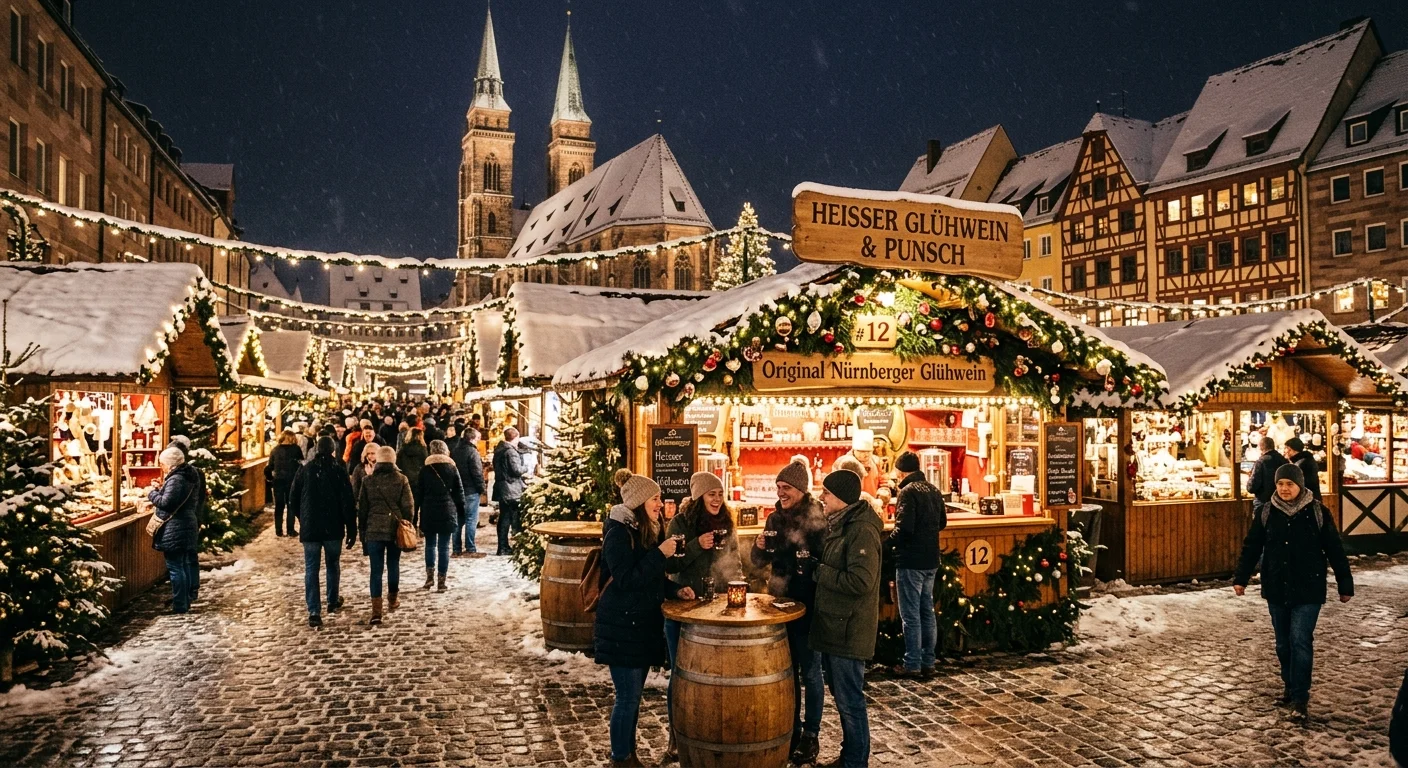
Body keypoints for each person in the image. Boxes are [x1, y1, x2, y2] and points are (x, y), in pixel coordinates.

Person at [1232, 463, 1352, 721]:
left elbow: (1334, 549)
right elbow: (1252, 546)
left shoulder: (1317, 512)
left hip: (1308, 588)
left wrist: (1345, 584)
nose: (1284, 489)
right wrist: (1241, 578)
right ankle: (1289, 684)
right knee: (1283, 644)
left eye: (1289, 484)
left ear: (1300, 485)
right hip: (1276, 586)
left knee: (1300, 640)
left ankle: (1300, 698)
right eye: (1280, 484)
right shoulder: (1266, 512)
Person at [594, 474, 693, 768]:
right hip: (621, 626)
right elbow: (626, 579)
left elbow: (650, 579)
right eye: (655, 499)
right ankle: (620, 758)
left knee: (633, 698)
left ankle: (629, 755)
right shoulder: (618, 533)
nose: (660, 505)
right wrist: (660, 555)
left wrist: (676, 590)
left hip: (638, 626)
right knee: (627, 698)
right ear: (639, 502)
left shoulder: (643, 529)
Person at [750, 458, 827, 766]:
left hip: (809, 604)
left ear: (801, 490)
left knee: (811, 671)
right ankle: (791, 729)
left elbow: (824, 561)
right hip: (779, 604)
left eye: (787, 488)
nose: (781, 493)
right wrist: (759, 546)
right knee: (787, 671)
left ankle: (811, 734)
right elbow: (759, 562)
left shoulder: (818, 517)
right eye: (778, 487)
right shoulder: (774, 519)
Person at [662, 471, 742, 759]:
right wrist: (697, 545)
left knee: (719, 677)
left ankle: (712, 734)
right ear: (699, 497)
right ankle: (675, 736)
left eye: (720, 494)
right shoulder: (680, 523)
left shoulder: (727, 524)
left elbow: (734, 561)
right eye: (711, 494)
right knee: (681, 675)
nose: (717, 499)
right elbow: (670, 563)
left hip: (719, 608)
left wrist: (739, 586)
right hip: (685, 608)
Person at [812, 468, 882, 767]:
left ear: (841, 497)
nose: (822, 498)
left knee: (850, 701)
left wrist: (819, 571)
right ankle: (850, 756)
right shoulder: (842, 524)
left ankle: (855, 761)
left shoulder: (861, 530)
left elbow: (861, 581)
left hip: (850, 627)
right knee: (843, 698)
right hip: (837, 625)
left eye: (827, 493)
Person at [888, 450, 947, 678]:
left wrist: (885, 544)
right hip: (931, 559)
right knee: (927, 612)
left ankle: (912, 663)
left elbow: (904, 528)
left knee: (911, 615)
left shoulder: (908, 491)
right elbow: (942, 522)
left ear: (901, 472)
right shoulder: (933, 489)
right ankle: (928, 662)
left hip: (911, 560)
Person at [290, 436, 356, 628]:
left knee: (311, 568)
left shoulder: (305, 469)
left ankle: (314, 610)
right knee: (332, 564)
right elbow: (347, 502)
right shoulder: (338, 470)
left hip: (310, 528)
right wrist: (351, 528)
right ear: (333, 450)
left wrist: (303, 518)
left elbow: (293, 499)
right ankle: (332, 600)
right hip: (333, 527)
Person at [358, 445, 414, 626]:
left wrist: (362, 532)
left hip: (373, 530)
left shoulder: (368, 480)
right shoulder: (401, 479)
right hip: (394, 529)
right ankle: (392, 599)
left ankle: (376, 611)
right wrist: (407, 523)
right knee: (393, 565)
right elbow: (408, 506)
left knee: (375, 570)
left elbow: (362, 509)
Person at [149, 446, 203, 615]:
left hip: (176, 527)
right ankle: (185, 600)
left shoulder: (176, 479)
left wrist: (151, 493)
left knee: (175, 567)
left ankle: (180, 604)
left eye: (162, 464)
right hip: (187, 523)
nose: (162, 467)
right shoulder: (188, 474)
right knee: (183, 564)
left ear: (170, 464)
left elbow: (166, 503)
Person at [419, 439, 465, 591]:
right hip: (447, 510)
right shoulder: (452, 468)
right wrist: (461, 512)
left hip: (429, 510)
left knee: (430, 545)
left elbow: (419, 493)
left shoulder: (425, 470)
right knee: (444, 547)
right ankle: (441, 581)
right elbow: (459, 493)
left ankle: (429, 578)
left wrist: (415, 515)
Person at [449, 425, 487, 558]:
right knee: (471, 519)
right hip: (470, 490)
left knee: (458, 520)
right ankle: (470, 548)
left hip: (457, 491)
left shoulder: (455, 451)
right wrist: (482, 489)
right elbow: (477, 473)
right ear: (472, 439)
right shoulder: (472, 452)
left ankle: (456, 549)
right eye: (477, 439)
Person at [492, 427, 527, 556]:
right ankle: (506, 547)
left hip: (502, 487)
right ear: (516, 437)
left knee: (503, 517)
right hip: (511, 488)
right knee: (511, 518)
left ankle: (502, 546)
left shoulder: (500, 450)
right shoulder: (511, 452)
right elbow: (516, 470)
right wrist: (526, 467)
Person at [266, 429, 304, 538]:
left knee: (279, 505)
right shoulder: (296, 449)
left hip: (278, 480)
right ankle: (290, 530)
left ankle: (278, 530)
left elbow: (270, 466)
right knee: (291, 504)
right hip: (291, 480)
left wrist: (270, 478)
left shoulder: (275, 450)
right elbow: (301, 463)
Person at [833, 429, 883, 495]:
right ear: (855, 450)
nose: (866, 454)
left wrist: (883, 492)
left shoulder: (876, 461)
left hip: (871, 500)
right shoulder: (842, 463)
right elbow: (834, 485)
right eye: (862, 451)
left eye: (869, 451)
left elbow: (883, 482)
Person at [1247, 436, 1288, 513]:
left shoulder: (1261, 461)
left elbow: (1252, 486)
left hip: (1263, 501)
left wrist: (1249, 483)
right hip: (1282, 502)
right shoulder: (1284, 460)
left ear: (1261, 447)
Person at [1282, 437, 1322, 501]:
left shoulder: (1302, 463)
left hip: (1306, 500)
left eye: (1286, 448)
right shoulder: (1306, 459)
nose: (1285, 451)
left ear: (1291, 449)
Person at [397, 427, 429, 505]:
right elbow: (425, 464)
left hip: (405, 478)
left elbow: (398, 464)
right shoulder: (423, 450)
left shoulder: (403, 449)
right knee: (416, 501)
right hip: (418, 479)